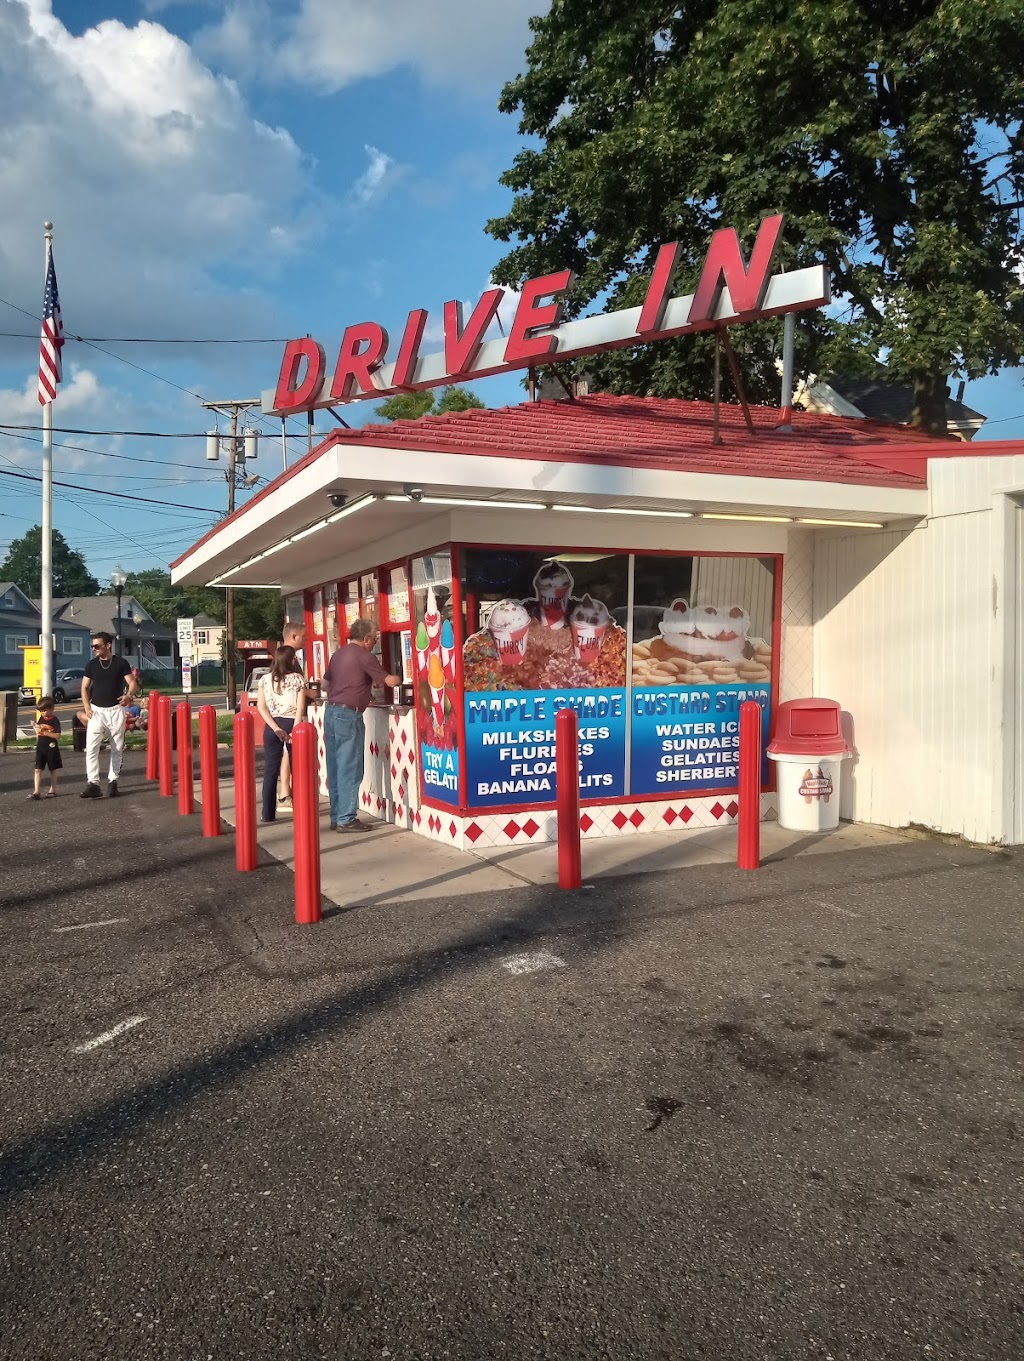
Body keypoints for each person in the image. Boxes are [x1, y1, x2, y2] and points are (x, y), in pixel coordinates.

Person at [323, 618, 400, 833]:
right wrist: (401, 677)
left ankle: (337, 815)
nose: (375, 642)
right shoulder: (365, 656)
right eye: (374, 638)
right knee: (351, 767)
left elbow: (325, 684)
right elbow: (389, 682)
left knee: (336, 767)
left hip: (331, 712)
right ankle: (347, 819)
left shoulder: (338, 654)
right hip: (349, 715)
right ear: (366, 638)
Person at [80, 631, 137, 799]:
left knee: (117, 748)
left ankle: (113, 782)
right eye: (92, 646)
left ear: (108, 645)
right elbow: (84, 687)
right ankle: (93, 784)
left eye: (97, 646)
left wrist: (129, 696)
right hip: (96, 711)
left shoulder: (121, 663)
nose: (94, 649)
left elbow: (132, 683)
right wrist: (86, 707)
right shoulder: (91, 665)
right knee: (91, 748)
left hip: (115, 711)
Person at [255, 644, 307, 823]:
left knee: (270, 770)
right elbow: (300, 707)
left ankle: (267, 813)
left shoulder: (265, 680)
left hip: (273, 725)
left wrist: (275, 728)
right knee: (298, 769)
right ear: (291, 660)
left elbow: (261, 707)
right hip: (292, 723)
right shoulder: (298, 679)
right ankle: (301, 809)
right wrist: (295, 730)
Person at [29, 696, 62, 799]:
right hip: (41, 746)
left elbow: (57, 735)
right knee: (37, 769)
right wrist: (36, 727)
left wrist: (45, 732)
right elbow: (39, 730)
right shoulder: (42, 718)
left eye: (44, 710)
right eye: (41, 711)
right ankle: (36, 791)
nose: (43, 713)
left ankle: (53, 789)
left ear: (51, 708)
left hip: (51, 746)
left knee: (53, 768)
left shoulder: (54, 720)